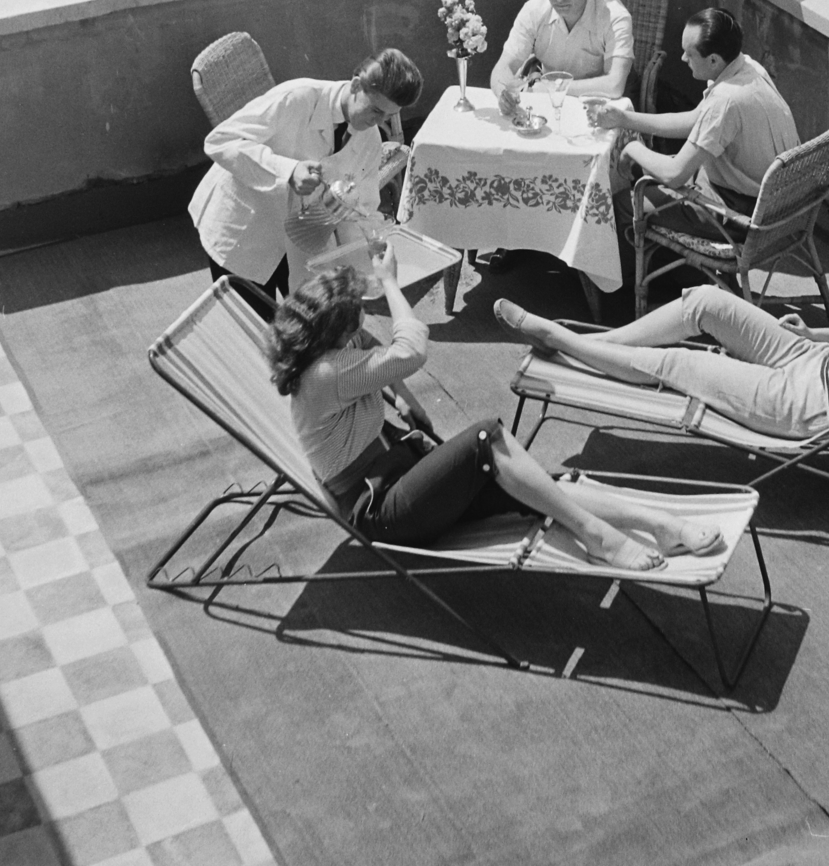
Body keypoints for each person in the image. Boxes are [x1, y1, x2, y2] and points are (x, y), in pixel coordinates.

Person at [269, 248, 723, 569]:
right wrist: (389, 281)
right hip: (382, 511)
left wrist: (406, 399)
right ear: (337, 330)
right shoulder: (328, 372)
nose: (366, 321)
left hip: (401, 475)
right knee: (487, 439)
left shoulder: (325, 356)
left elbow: (374, 349)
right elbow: (410, 349)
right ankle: (600, 538)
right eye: (359, 315)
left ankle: (659, 522)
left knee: (536, 484)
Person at [494, 256, 829, 440]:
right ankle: (595, 345)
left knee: (679, 362)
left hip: (802, 404)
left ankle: (557, 337)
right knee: (706, 302)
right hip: (813, 358)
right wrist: (814, 335)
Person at [190, 49, 424, 311]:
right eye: (375, 110)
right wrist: (288, 171)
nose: (378, 122)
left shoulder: (370, 140)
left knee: (307, 331)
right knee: (256, 333)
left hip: (303, 241)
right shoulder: (298, 97)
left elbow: (363, 209)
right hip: (246, 230)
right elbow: (220, 141)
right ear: (357, 85)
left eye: (388, 116)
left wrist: (371, 250)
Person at [589, 8, 798, 219]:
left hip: (743, 211)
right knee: (639, 171)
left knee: (622, 204)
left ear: (714, 60)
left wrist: (632, 147)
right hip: (776, 198)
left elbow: (674, 175)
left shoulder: (725, 101)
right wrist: (624, 119)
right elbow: (694, 121)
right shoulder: (748, 67)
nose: (682, 58)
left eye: (690, 54)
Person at [489, 0, 633, 99]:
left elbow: (614, 85)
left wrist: (552, 87)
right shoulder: (533, 10)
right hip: (548, 98)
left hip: (596, 101)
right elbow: (503, 67)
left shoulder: (614, 16)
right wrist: (504, 95)